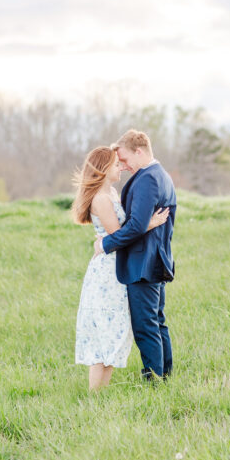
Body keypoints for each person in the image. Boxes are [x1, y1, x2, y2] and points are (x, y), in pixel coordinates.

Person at [72, 145, 169, 391]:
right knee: (105, 329)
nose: (121, 168)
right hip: (107, 271)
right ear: (104, 170)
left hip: (119, 265)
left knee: (113, 328)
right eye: (116, 165)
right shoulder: (102, 199)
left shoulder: (113, 193)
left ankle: (100, 396)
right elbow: (120, 234)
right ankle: (95, 397)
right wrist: (149, 224)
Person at [93, 130, 177, 381]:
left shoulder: (148, 179)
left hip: (143, 263)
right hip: (154, 259)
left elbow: (137, 225)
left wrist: (106, 244)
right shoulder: (159, 174)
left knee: (145, 326)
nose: (124, 166)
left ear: (139, 151)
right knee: (157, 322)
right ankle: (165, 377)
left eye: (126, 159)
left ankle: (154, 381)